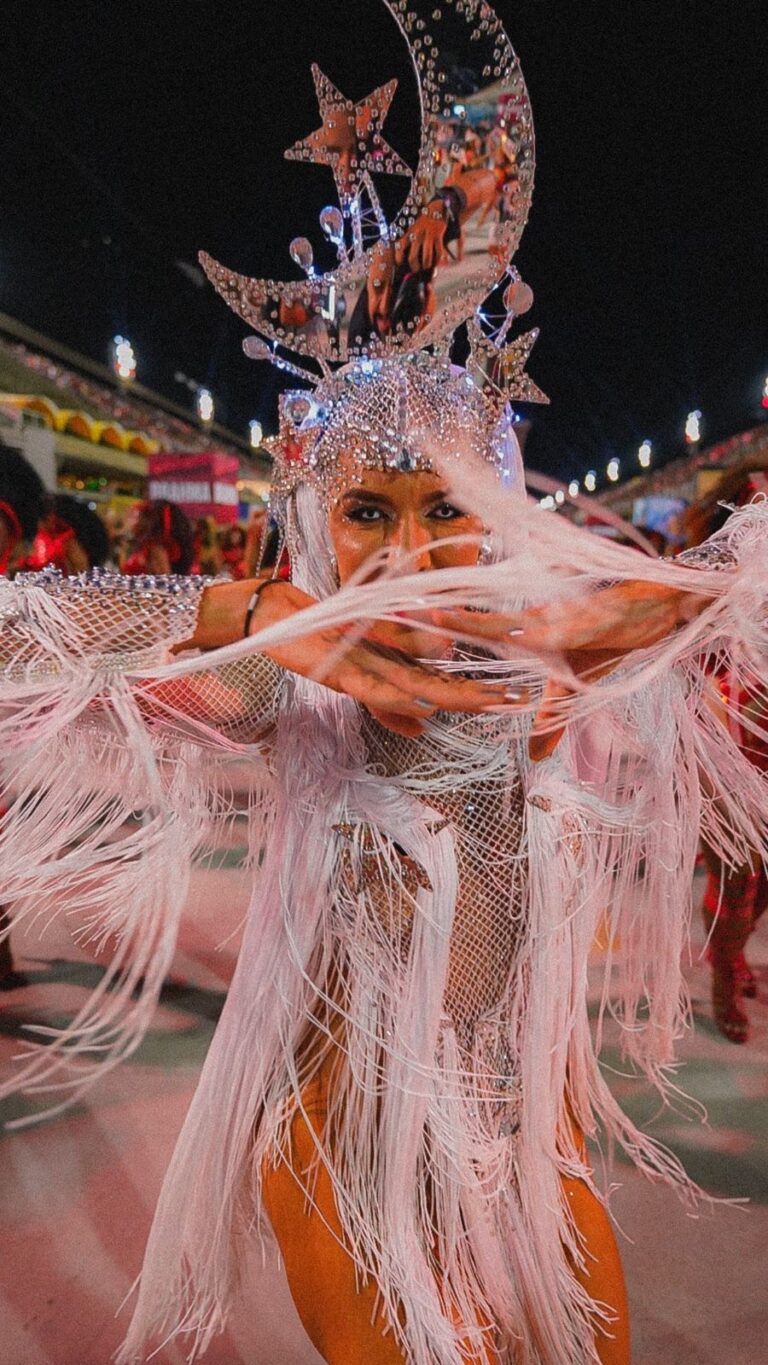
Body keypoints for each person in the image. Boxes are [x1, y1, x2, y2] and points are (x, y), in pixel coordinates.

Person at [2, 9, 768, 1362]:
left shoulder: (550, 646)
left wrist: (660, 599)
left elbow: (734, 579)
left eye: (445, 507)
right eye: (367, 513)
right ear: (313, 520)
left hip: (523, 1147)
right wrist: (246, 614)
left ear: (496, 504)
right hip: (338, 1147)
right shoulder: (284, 672)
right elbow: (22, 635)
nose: (410, 553)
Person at [121, 498, 194, 575]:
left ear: (145, 520)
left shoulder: (155, 546)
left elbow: (163, 576)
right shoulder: (146, 544)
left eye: (134, 516)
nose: (128, 521)